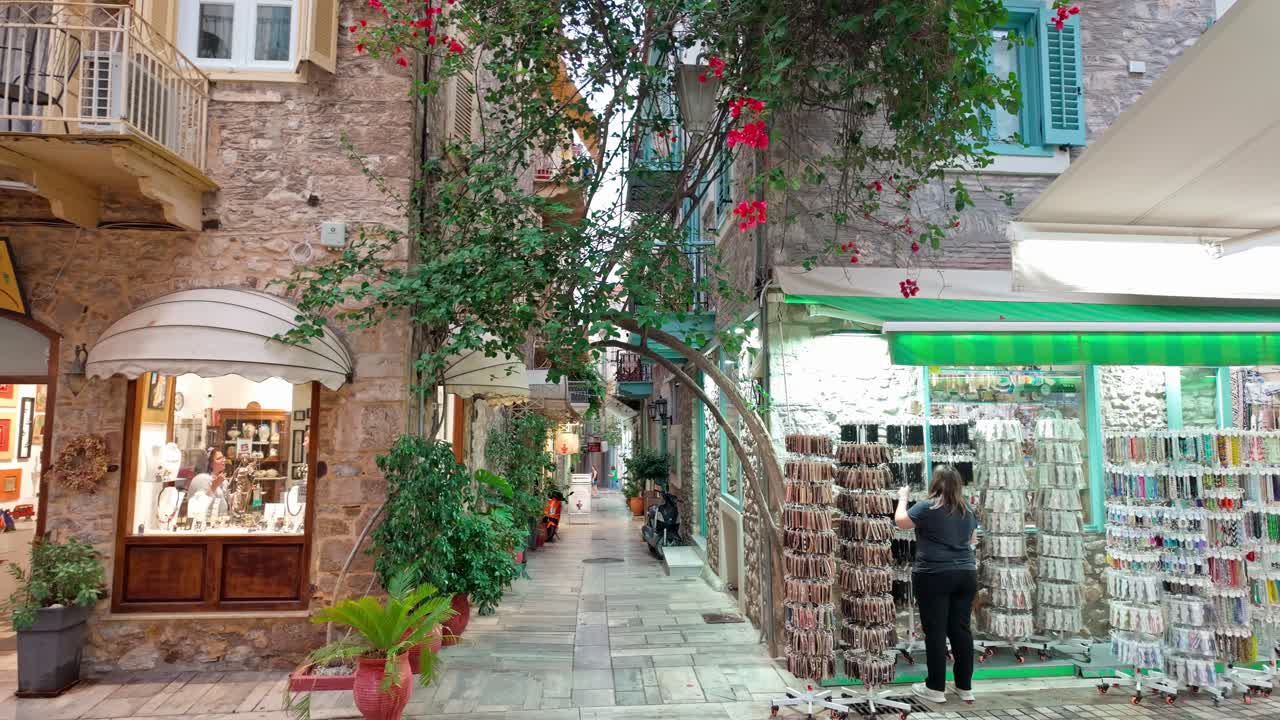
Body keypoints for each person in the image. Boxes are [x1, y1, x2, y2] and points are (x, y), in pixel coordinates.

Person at [894, 465, 978, 705]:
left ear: (935, 483)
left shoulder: (927, 506)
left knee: (936, 630)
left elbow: (901, 522)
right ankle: (965, 687)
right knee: (961, 630)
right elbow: (971, 540)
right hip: (965, 573)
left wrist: (903, 498)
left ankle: (935, 688)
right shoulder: (967, 509)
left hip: (934, 574)